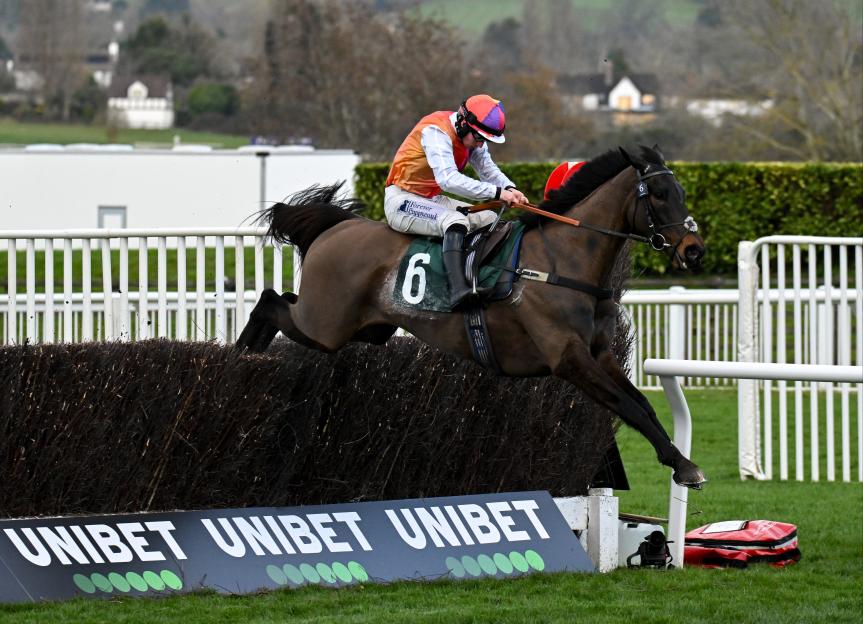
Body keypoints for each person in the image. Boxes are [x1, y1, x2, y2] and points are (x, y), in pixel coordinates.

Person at [384, 94, 529, 310]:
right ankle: (458, 290)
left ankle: (478, 276)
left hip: (430, 199)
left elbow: (488, 170)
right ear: (463, 124)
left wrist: (511, 189)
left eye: (486, 140)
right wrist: (498, 193)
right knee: (454, 221)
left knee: (490, 218)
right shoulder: (436, 131)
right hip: (401, 200)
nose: (481, 145)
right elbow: (448, 180)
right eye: (479, 138)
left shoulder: (472, 138)